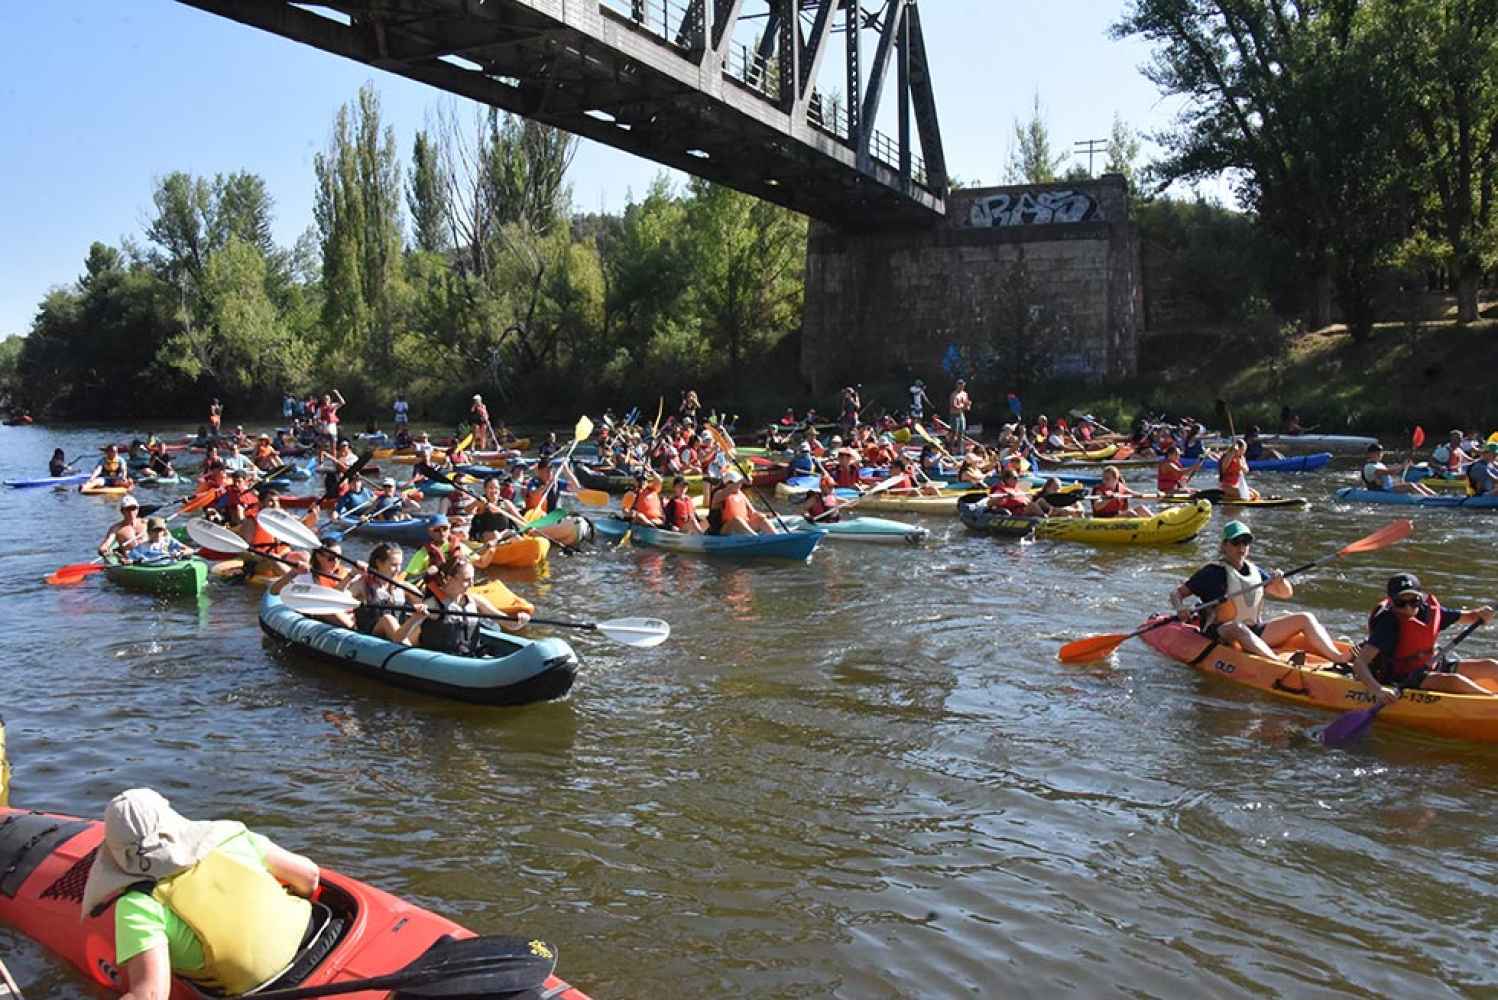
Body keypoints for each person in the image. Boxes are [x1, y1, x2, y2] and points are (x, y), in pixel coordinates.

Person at [79, 787, 321, 1000]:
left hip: (270, 990)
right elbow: (310, 878)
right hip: (321, 934)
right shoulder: (229, 835)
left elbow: (151, 995)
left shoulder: (139, 904)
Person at [1171, 521, 1352, 665]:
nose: (1241, 547)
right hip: (1222, 632)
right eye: (1236, 542)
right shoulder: (1211, 572)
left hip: (1255, 630)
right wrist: (1180, 608)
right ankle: (1277, 664)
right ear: (1224, 545)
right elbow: (1177, 594)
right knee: (1237, 627)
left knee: (1305, 617)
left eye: (1245, 543)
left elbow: (1285, 594)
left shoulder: (1255, 571)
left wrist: (1280, 581)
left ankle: (1337, 657)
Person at [1346, 573, 1498, 705]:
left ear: (1420, 598)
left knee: (1492, 666)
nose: (1408, 608)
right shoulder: (1388, 624)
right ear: (1391, 601)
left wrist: (1482, 614)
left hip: (1431, 665)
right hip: (1401, 676)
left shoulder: (1430, 611)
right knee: (1454, 681)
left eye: (1413, 601)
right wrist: (1378, 690)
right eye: (1401, 603)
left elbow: (1471, 616)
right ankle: (1491, 703)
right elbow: (1360, 664)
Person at [405, 555, 531, 653]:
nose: (471, 584)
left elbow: (508, 623)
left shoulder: (475, 600)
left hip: (469, 655)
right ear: (449, 578)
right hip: (442, 660)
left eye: (472, 579)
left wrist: (521, 621)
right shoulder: (433, 605)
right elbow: (407, 638)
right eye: (466, 580)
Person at [349, 544, 423, 643]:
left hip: (399, 635)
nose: (398, 569)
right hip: (372, 634)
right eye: (394, 565)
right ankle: (408, 649)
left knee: (424, 622)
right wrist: (351, 574)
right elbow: (340, 598)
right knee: (387, 619)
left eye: (400, 565)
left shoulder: (403, 586)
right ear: (379, 563)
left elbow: (425, 602)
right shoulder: (363, 584)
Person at [271, 544, 356, 627]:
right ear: (319, 556)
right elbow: (274, 591)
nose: (336, 562)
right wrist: (293, 573)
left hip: (350, 613)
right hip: (329, 614)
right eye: (331, 558)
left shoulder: (345, 572)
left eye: (339, 558)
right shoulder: (306, 576)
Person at [708, 470, 781, 535]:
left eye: (739, 483)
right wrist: (741, 481)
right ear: (727, 483)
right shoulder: (718, 494)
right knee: (737, 520)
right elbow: (729, 489)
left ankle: (776, 536)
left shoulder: (741, 494)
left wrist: (768, 514)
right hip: (722, 530)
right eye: (736, 483)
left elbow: (753, 513)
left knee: (760, 518)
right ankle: (756, 538)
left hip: (742, 525)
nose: (739, 485)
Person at [1360, 442, 1435, 496]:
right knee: (1411, 485)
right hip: (1381, 491)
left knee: (1419, 484)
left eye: (1381, 452)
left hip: (1388, 488)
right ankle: (1427, 499)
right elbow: (1391, 472)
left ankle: (1435, 497)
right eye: (1377, 453)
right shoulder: (1369, 467)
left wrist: (1407, 466)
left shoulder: (1380, 464)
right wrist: (1403, 465)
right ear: (1370, 454)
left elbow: (1392, 473)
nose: (1380, 454)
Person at [126, 517, 193, 563]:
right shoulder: (142, 547)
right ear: (149, 532)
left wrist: (180, 553)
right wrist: (128, 561)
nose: (158, 533)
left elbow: (190, 550)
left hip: (169, 565)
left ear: (163, 532)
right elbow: (129, 557)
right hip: (153, 568)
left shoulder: (169, 541)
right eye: (155, 530)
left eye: (160, 530)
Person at [948, 379, 971, 447]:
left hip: (961, 414)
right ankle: (951, 448)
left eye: (962, 385)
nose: (961, 386)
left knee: (962, 432)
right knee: (954, 433)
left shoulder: (965, 394)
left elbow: (967, 404)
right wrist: (963, 406)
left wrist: (968, 406)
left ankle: (960, 449)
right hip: (954, 415)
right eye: (959, 385)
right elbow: (953, 405)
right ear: (957, 385)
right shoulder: (953, 394)